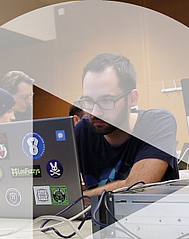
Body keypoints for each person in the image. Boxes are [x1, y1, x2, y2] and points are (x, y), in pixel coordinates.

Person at [75, 53, 178, 197]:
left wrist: (79, 200)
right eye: (88, 101)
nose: (95, 112)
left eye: (106, 101)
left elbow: (137, 186)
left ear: (132, 98)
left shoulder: (158, 123)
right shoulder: (83, 131)